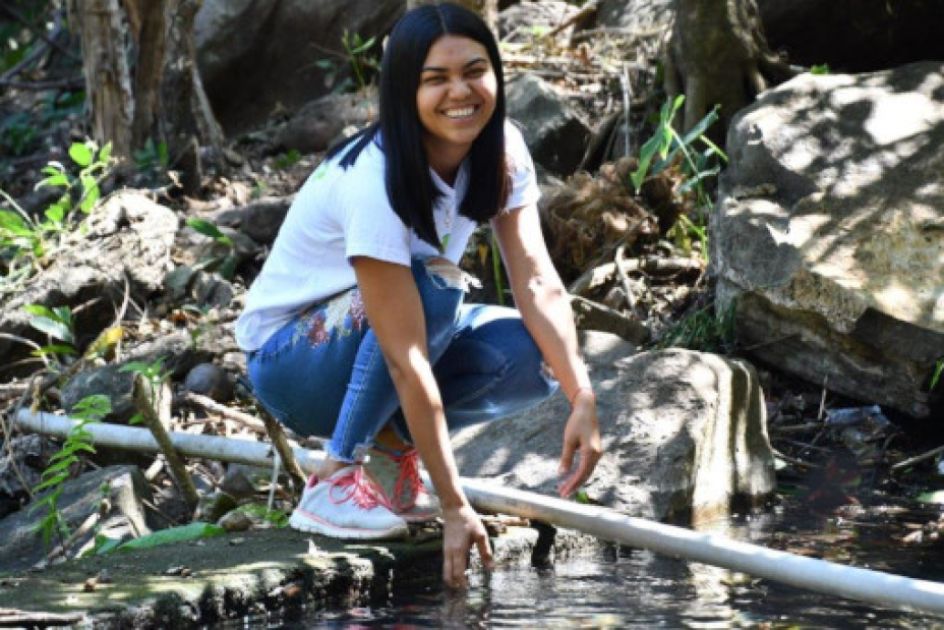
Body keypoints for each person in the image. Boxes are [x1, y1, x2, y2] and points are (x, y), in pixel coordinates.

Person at [235, 2, 601, 588]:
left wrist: (581, 393)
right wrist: (456, 505)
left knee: (532, 359)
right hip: (291, 367)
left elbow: (536, 279)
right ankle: (334, 478)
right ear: (405, 91)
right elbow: (405, 356)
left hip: (384, 333)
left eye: (475, 72)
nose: (461, 92)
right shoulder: (373, 177)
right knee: (433, 284)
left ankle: (390, 454)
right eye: (436, 79)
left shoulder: (502, 149)